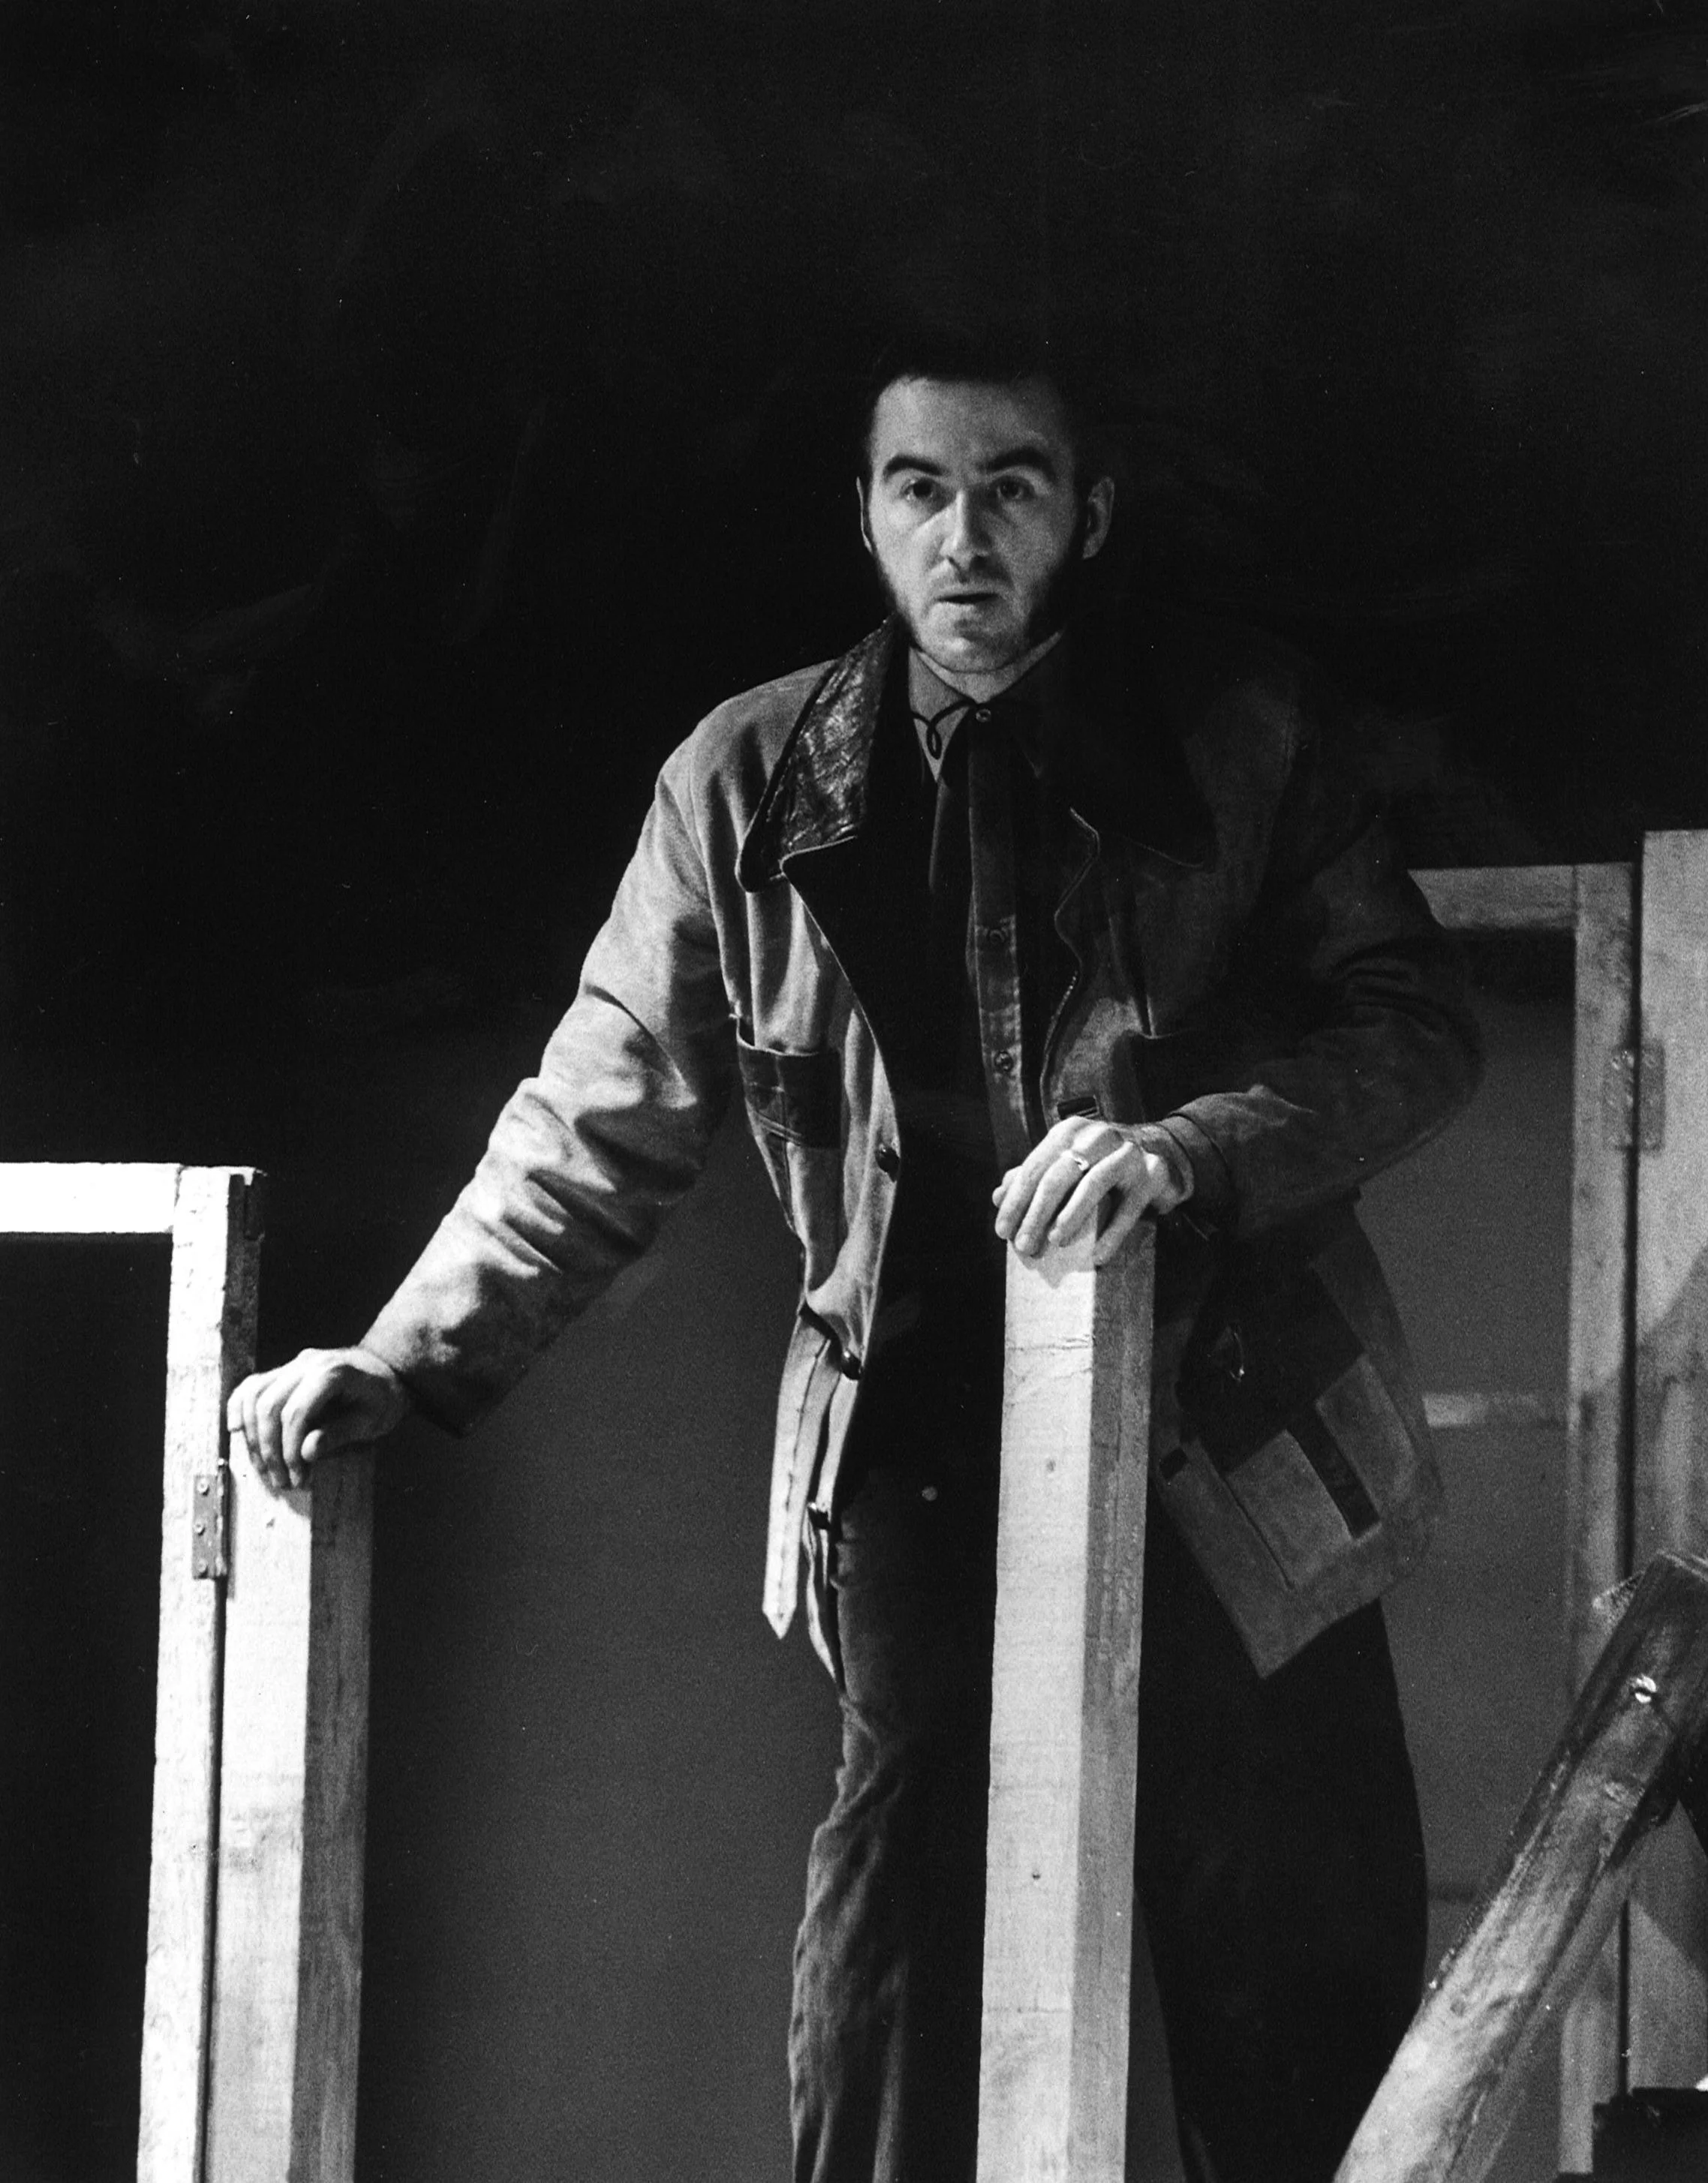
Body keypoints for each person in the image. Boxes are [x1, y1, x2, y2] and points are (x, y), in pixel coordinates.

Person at [228, 323, 1483, 2183]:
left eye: (1012, 487)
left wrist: (1187, 1151)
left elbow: (1409, 1027)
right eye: (922, 490)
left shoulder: (1249, 729)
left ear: (1091, 513)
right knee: (896, 1984)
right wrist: (400, 1360)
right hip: (911, 1449)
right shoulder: (741, 780)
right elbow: (592, 1121)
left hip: (1240, 1437)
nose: (964, 535)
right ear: (871, 522)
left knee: (1289, 1982)